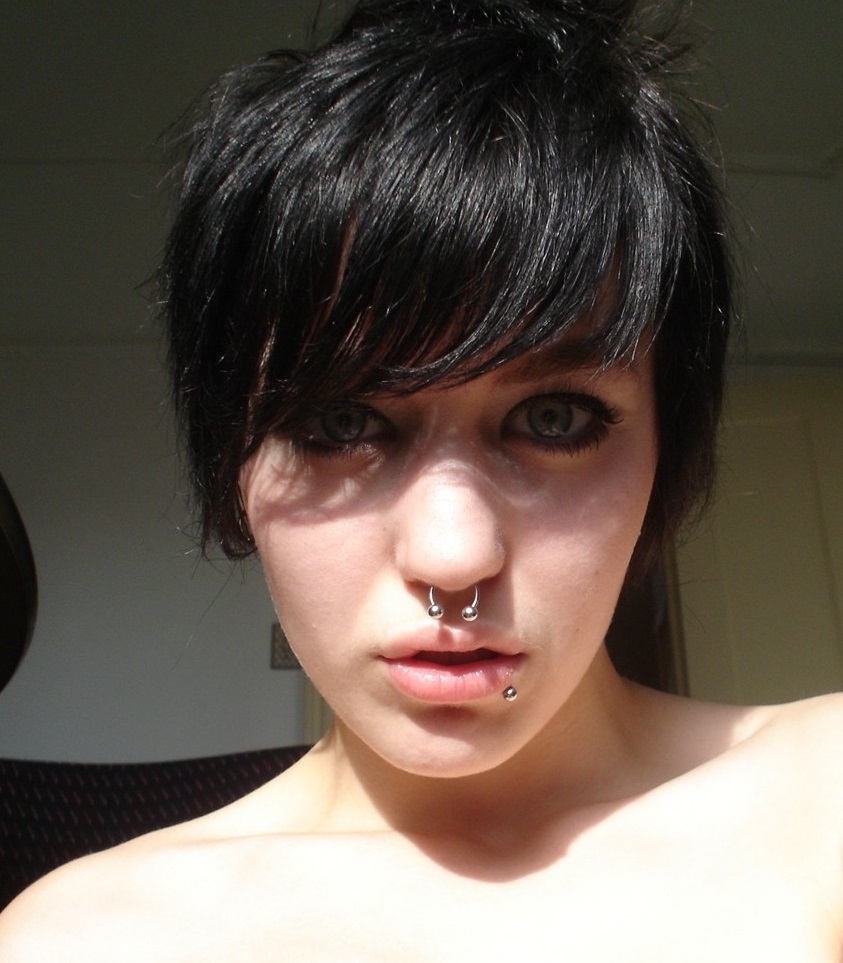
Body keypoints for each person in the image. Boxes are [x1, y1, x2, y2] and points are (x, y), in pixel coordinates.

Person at [2, 0, 842, 959]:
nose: (453, 557)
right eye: (339, 424)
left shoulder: (822, 805)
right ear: (233, 461)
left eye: (554, 418)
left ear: (666, 450)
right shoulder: (82, 937)